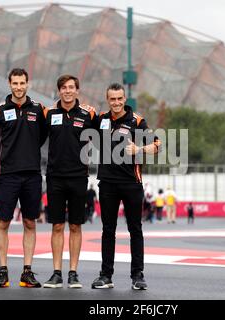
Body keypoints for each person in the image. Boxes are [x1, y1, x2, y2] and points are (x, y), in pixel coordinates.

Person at [0, 68, 47, 288]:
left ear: (28, 84)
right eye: (15, 83)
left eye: (22, 83)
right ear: (9, 84)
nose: (19, 87)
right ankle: (3, 271)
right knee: (3, 221)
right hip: (7, 175)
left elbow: (42, 136)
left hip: (32, 175)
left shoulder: (39, 109)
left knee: (30, 222)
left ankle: (27, 272)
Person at [91, 83, 161, 290]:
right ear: (108, 99)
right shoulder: (101, 120)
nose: (116, 102)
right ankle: (106, 275)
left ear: (125, 99)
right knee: (107, 230)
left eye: (119, 98)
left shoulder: (137, 121)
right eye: (112, 99)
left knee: (135, 229)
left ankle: (138, 275)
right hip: (107, 183)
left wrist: (139, 148)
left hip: (132, 183)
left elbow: (158, 145)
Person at [42, 74, 98, 289]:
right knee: (57, 226)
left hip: (78, 177)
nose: (67, 91)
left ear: (77, 90)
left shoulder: (88, 114)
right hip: (55, 177)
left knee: (75, 225)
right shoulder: (49, 113)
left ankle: (73, 273)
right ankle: (56, 273)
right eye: (63, 87)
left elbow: (104, 135)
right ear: (59, 91)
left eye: (71, 87)